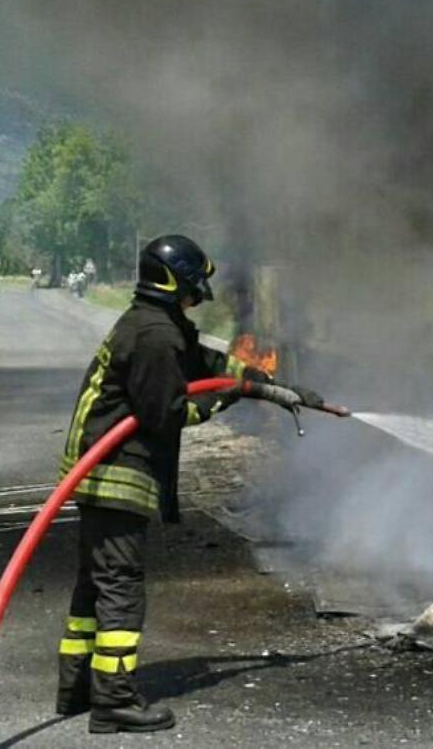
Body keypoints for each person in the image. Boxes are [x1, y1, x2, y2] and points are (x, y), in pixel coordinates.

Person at [54, 235, 272, 734]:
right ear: (176, 280)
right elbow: (166, 413)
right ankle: (114, 700)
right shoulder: (154, 335)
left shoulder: (157, 325)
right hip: (115, 469)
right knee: (120, 587)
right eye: (195, 282)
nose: (200, 292)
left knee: (96, 581)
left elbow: (204, 366)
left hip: (98, 466)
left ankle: (77, 688)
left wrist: (262, 383)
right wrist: (224, 402)